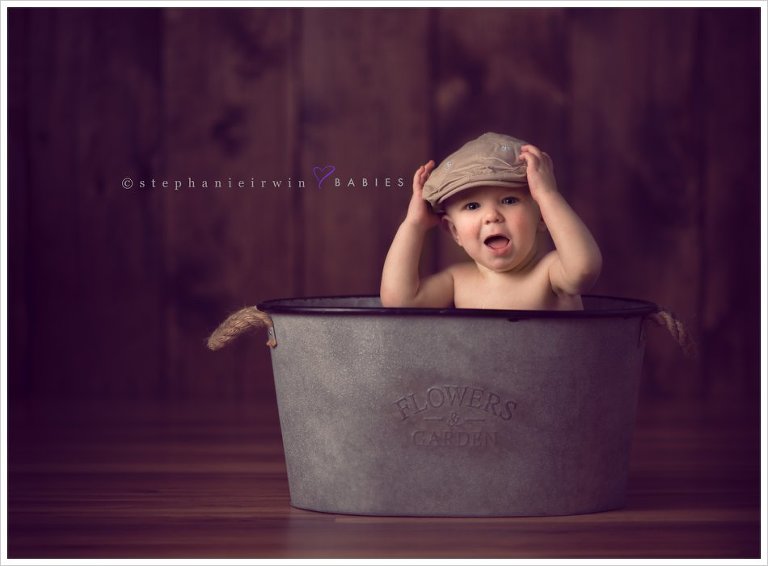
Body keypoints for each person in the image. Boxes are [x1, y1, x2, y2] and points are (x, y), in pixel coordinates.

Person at [380, 132, 602, 310]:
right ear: (454, 231)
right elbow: (400, 301)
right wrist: (413, 225)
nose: (492, 215)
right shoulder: (458, 281)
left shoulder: (549, 274)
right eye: (472, 206)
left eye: (509, 200)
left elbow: (584, 269)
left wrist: (548, 196)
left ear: (542, 216)